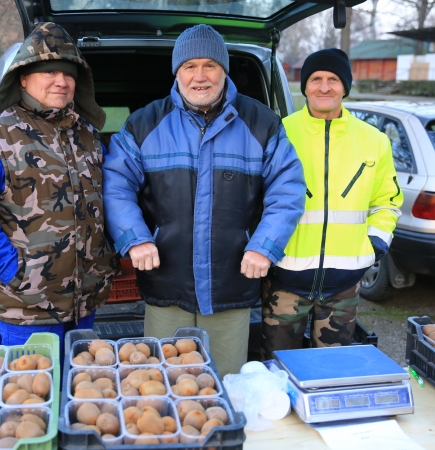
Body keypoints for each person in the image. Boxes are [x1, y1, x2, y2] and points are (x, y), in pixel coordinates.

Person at [103, 24, 305, 377]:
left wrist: (264, 246)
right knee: (162, 382)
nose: (200, 76)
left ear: (224, 70)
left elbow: (287, 189)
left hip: (232, 283)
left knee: (224, 382)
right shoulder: (144, 124)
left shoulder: (261, 123)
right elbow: (115, 185)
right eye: (189, 66)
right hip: (166, 281)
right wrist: (135, 237)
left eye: (209, 65)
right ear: (177, 72)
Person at [0, 22, 119, 355]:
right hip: (25, 310)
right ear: (24, 77)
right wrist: (14, 273)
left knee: (79, 396)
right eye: (49, 72)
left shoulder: (86, 134)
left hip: (84, 304)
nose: (62, 81)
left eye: (69, 74)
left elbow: (109, 199)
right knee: (28, 403)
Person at [261, 48, 404, 356]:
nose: (324, 87)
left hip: (344, 286)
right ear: (305, 86)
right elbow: (256, 197)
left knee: (331, 370)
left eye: (333, 79)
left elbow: (387, 203)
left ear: (345, 87)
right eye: (315, 79)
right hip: (284, 280)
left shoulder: (374, 140)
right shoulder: (278, 133)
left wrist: (374, 245)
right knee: (278, 368)